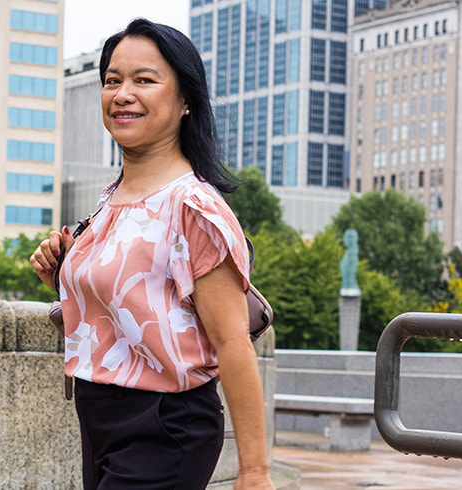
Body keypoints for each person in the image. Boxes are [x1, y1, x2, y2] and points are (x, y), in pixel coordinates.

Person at [28, 18, 272, 490]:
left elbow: (232, 343)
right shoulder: (109, 201)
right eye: (112, 80)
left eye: (144, 80)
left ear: (185, 101)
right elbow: (134, 307)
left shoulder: (193, 207)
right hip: (100, 416)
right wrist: (64, 275)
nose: (122, 93)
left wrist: (255, 471)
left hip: (165, 424)